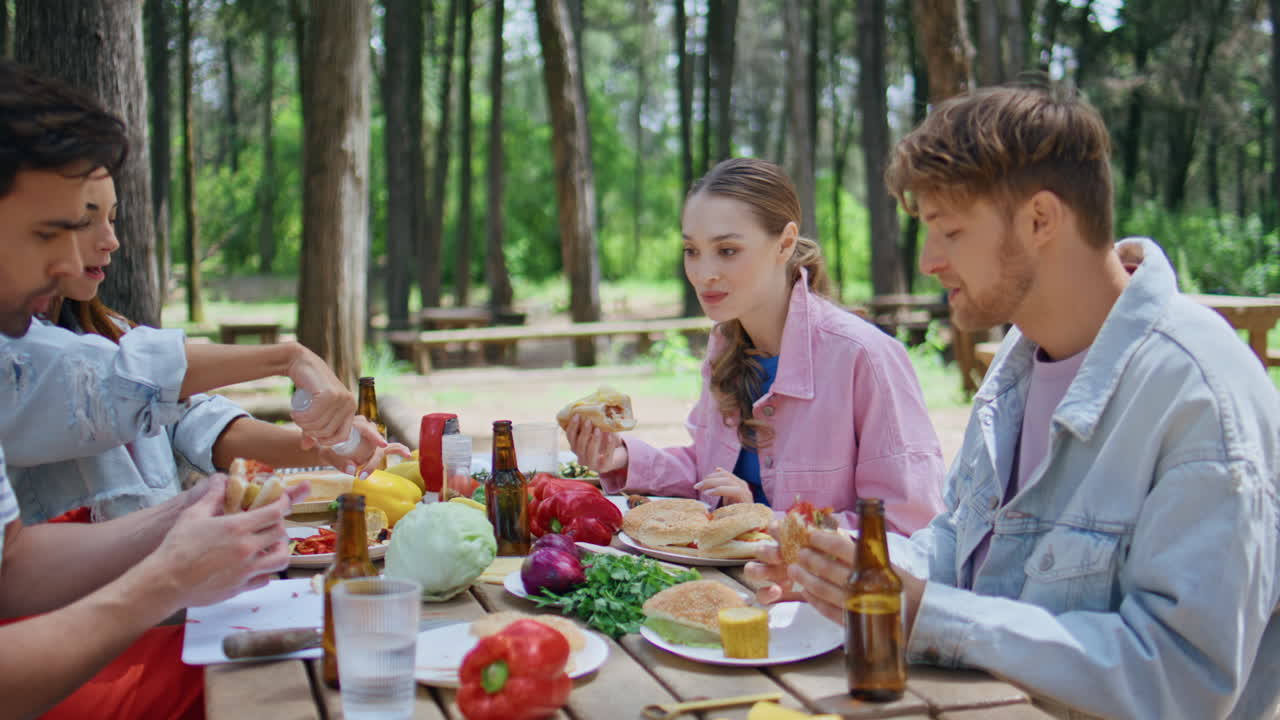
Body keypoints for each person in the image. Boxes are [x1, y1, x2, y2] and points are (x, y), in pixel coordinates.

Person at [748, 85, 1280, 720]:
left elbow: (1182, 680)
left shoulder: (1199, 397)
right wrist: (851, 572)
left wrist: (927, 613)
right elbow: (956, 545)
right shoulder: (1018, 360)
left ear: (1040, 219)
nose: (928, 262)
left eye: (950, 230)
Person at [0, 59, 357, 718]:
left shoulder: (76, 341)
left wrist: (191, 516)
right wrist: (167, 575)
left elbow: (11, 566)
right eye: (57, 230)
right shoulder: (46, 358)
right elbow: (106, 383)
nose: (80, 255)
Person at [567, 158, 945, 532]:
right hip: (731, 584)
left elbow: (906, 524)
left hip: (815, 592)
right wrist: (619, 457)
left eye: (727, 250)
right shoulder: (724, 344)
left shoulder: (864, 356)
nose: (703, 273)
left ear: (785, 244)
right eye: (691, 250)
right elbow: (710, 472)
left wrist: (765, 523)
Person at [4, 172, 406, 524]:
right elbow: (113, 379)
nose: (111, 241)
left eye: (112, 218)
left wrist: (324, 448)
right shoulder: (24, 355)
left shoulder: (110, 331)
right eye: (81, 220)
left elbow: (195, 420)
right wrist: (287, 358)